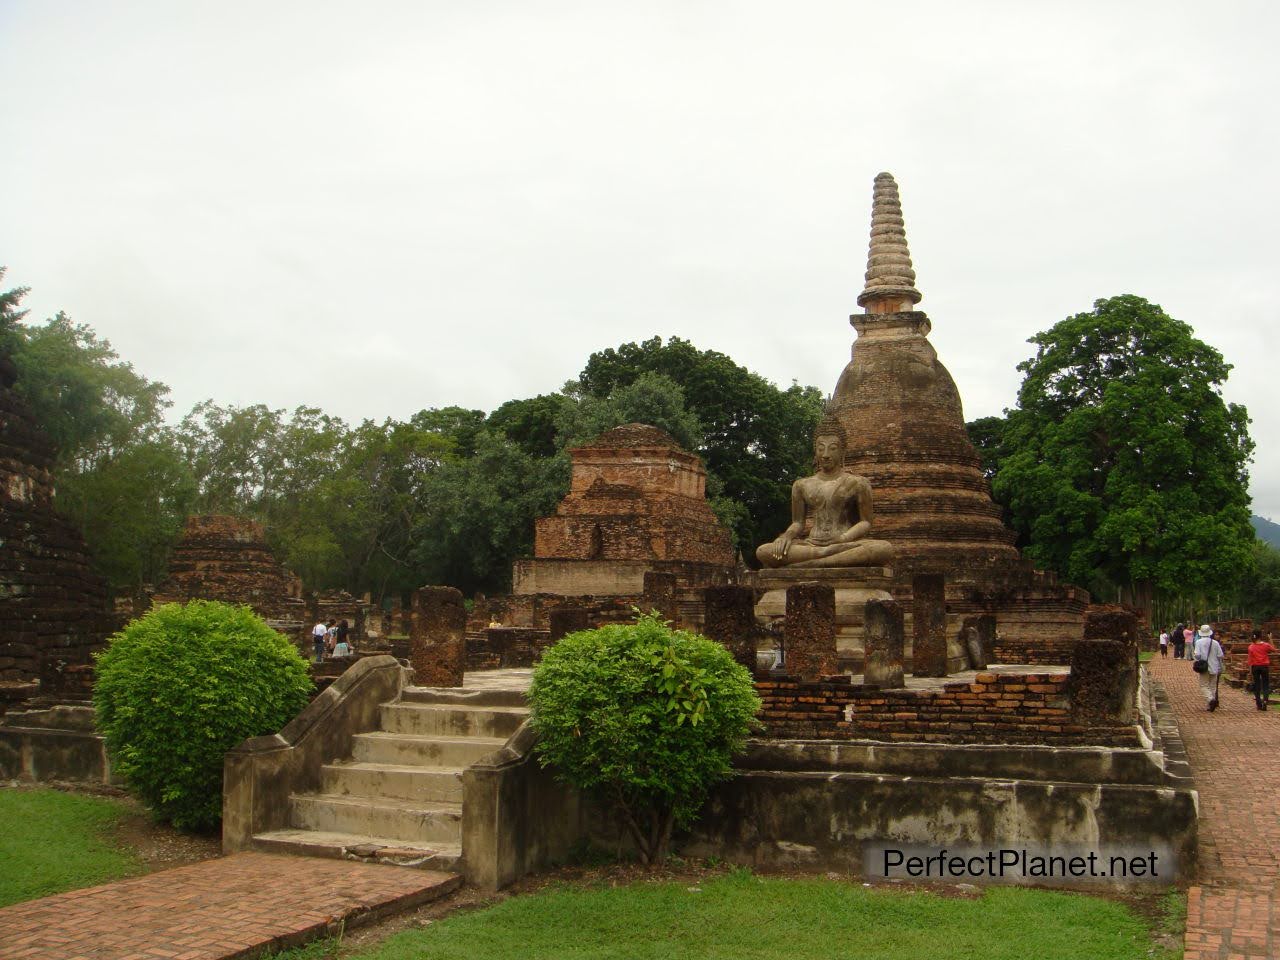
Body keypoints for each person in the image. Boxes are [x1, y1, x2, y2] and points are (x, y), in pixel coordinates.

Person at [756, 415, 895, 569]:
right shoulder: (801, 485)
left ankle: (813, 564)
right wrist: (786, 537)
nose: (825, 454)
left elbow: (866, 522)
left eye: (832, 448)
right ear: (815, 451)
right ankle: (824, 558)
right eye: (820, 448)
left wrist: (843, 538)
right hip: (811, 545)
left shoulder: (858, 483)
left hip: (843, 543)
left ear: (842, 451)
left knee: (883, 549)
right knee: (763, 551)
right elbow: (798, 523)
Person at [1192, 624, 1225, 711]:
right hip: (1214, 666)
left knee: (1203, 685)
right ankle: (1210, 704)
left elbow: (1197, 655)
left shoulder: (1198, 642)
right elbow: (1220, 655)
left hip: (1204, 667)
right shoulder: (1215, 643)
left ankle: (1211, 700)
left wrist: (1198, 657)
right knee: (1212, 686)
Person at [1247, 629, 1277, 711]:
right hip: (1264, 667)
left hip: (1255, 667)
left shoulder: (1251, 647)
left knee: (1257, 685)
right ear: (1260, 636)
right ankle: (1265, 701)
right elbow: (1274, 650)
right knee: (1265, 685)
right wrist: (1270, 638)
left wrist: (1250, 672)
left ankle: (1258, 703)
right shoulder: (1265, 645)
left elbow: (1250, 661)